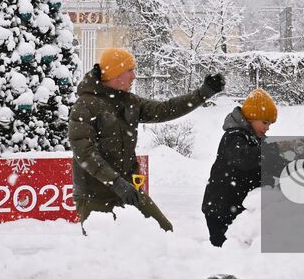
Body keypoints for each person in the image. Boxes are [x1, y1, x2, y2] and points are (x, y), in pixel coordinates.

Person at [69, 47, 223, 232]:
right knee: (102, 250)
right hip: (95, 194)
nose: (134, 76)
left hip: (129, 190)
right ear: (115, 74)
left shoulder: (129, 102)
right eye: (130, 70)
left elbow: (165, 109)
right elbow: (84, 153)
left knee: (163, 231)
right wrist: (115, 182)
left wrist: (202, 93)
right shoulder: (85, 106)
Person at [201, 89, 287, 247]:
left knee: (241, 252)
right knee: (228, 251)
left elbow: (271, 162)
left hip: (238, 208)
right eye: (265, 122)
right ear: (252, 117)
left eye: (270, 124)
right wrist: (273, 149)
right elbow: (244, 158)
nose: (268, 127)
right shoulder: (234, 136)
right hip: (221, 209)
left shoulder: (257, 140)